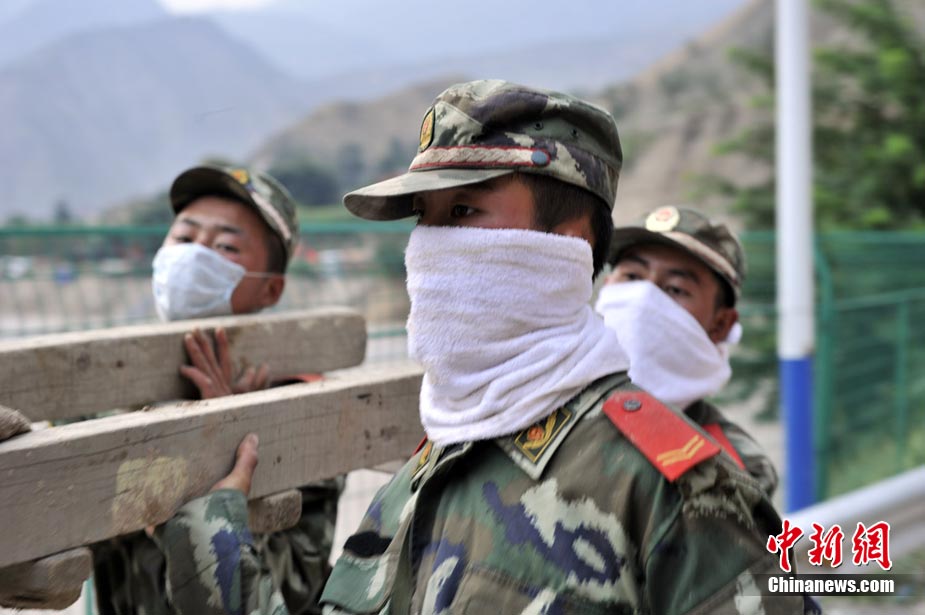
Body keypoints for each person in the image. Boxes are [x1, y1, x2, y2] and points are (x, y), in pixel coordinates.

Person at [152, 81, 812, 614]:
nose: (430, 248)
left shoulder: (673, 489)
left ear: (569, 242)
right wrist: (212, 542)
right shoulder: (438, 456)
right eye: (426, 219)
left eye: (464, 212)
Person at [91, 164, 340, 615]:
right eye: (184, 237)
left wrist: (220, 449)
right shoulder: (108, 385)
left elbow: (295, 589)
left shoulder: (301, 405)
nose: (194, 255)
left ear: (270, 290)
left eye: (225, 246)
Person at [595, 205, 779, 496]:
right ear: (607, 285)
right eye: (631, 277)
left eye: (676, 289)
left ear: (720, 324)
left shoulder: (732, 468)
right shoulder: (536, 399)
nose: (644, 298)